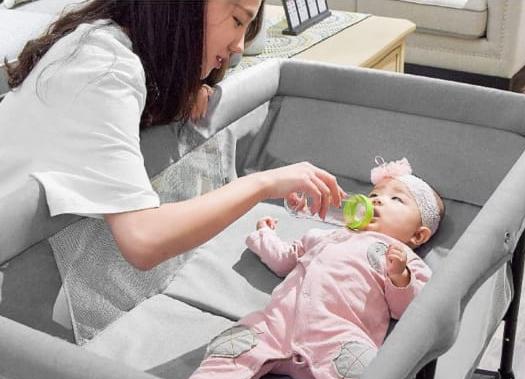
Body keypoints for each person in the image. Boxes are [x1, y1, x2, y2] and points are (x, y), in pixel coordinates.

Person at [0, 0, 344, 273]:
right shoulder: (104, 67)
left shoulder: (114, 44)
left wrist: (187, 88)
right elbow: (143, 240)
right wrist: (263, 184)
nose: (239, 46)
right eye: (238, 21)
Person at [186, 158, 446, 379]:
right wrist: (265, 236)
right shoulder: (325, 235)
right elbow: (284, 259)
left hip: (337, 333)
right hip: (278, 325)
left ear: (417, 235)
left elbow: (411, 308)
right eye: (374, 194)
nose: (377, 200)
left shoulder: (402, 258)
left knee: (365, 376)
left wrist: (399, 277)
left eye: (396, 200)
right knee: (231, 345)